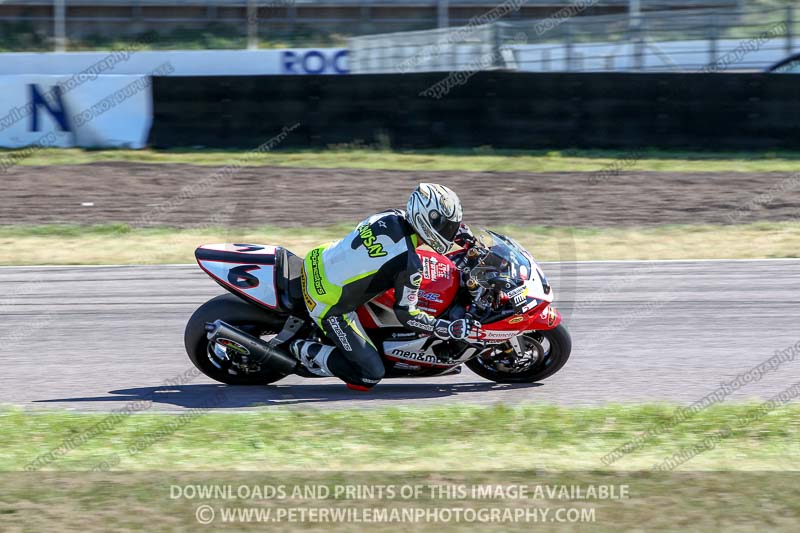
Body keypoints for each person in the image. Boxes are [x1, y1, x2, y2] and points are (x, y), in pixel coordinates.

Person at [291, 183, 481, 390]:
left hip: (318, 258)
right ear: (428, 220)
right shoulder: (409, 265)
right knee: (369, 376)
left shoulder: (390, 216)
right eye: (447, 227)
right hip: (327, 302)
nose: (450, 232)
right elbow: (407, 316)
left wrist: (464, 237)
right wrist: (444, 328)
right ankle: (301, 348)